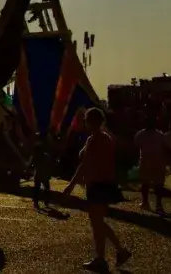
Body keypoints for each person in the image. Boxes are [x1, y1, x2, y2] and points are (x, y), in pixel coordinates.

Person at [62, 107, 131, 271]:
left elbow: (84, 163)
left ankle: (105, 257)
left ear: (91, 121)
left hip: (97, 184)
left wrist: (71, 185)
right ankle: (114, 253)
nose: (84, 123)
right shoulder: (105, 138)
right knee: (98, 222)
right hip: (106, 183)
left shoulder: (94, 139)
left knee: (97, 222)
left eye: (86, 120)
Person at [134, 116, 169, 213]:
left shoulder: (140, 134)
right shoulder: (160, 135)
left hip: (147, 161)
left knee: (146, 183)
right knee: (156, 184)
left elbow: (136, 147)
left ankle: (147, 203)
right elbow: (165, 148)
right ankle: (157, 204)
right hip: (156, 161)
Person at [32, 132, 55, 208]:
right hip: (45, 175)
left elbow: (31, 165)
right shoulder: (46, 156)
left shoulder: (35, 157)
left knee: (37, 189)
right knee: (46, 189)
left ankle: (36, 202)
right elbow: (50, 166)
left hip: (38, 175)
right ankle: (46, 201)